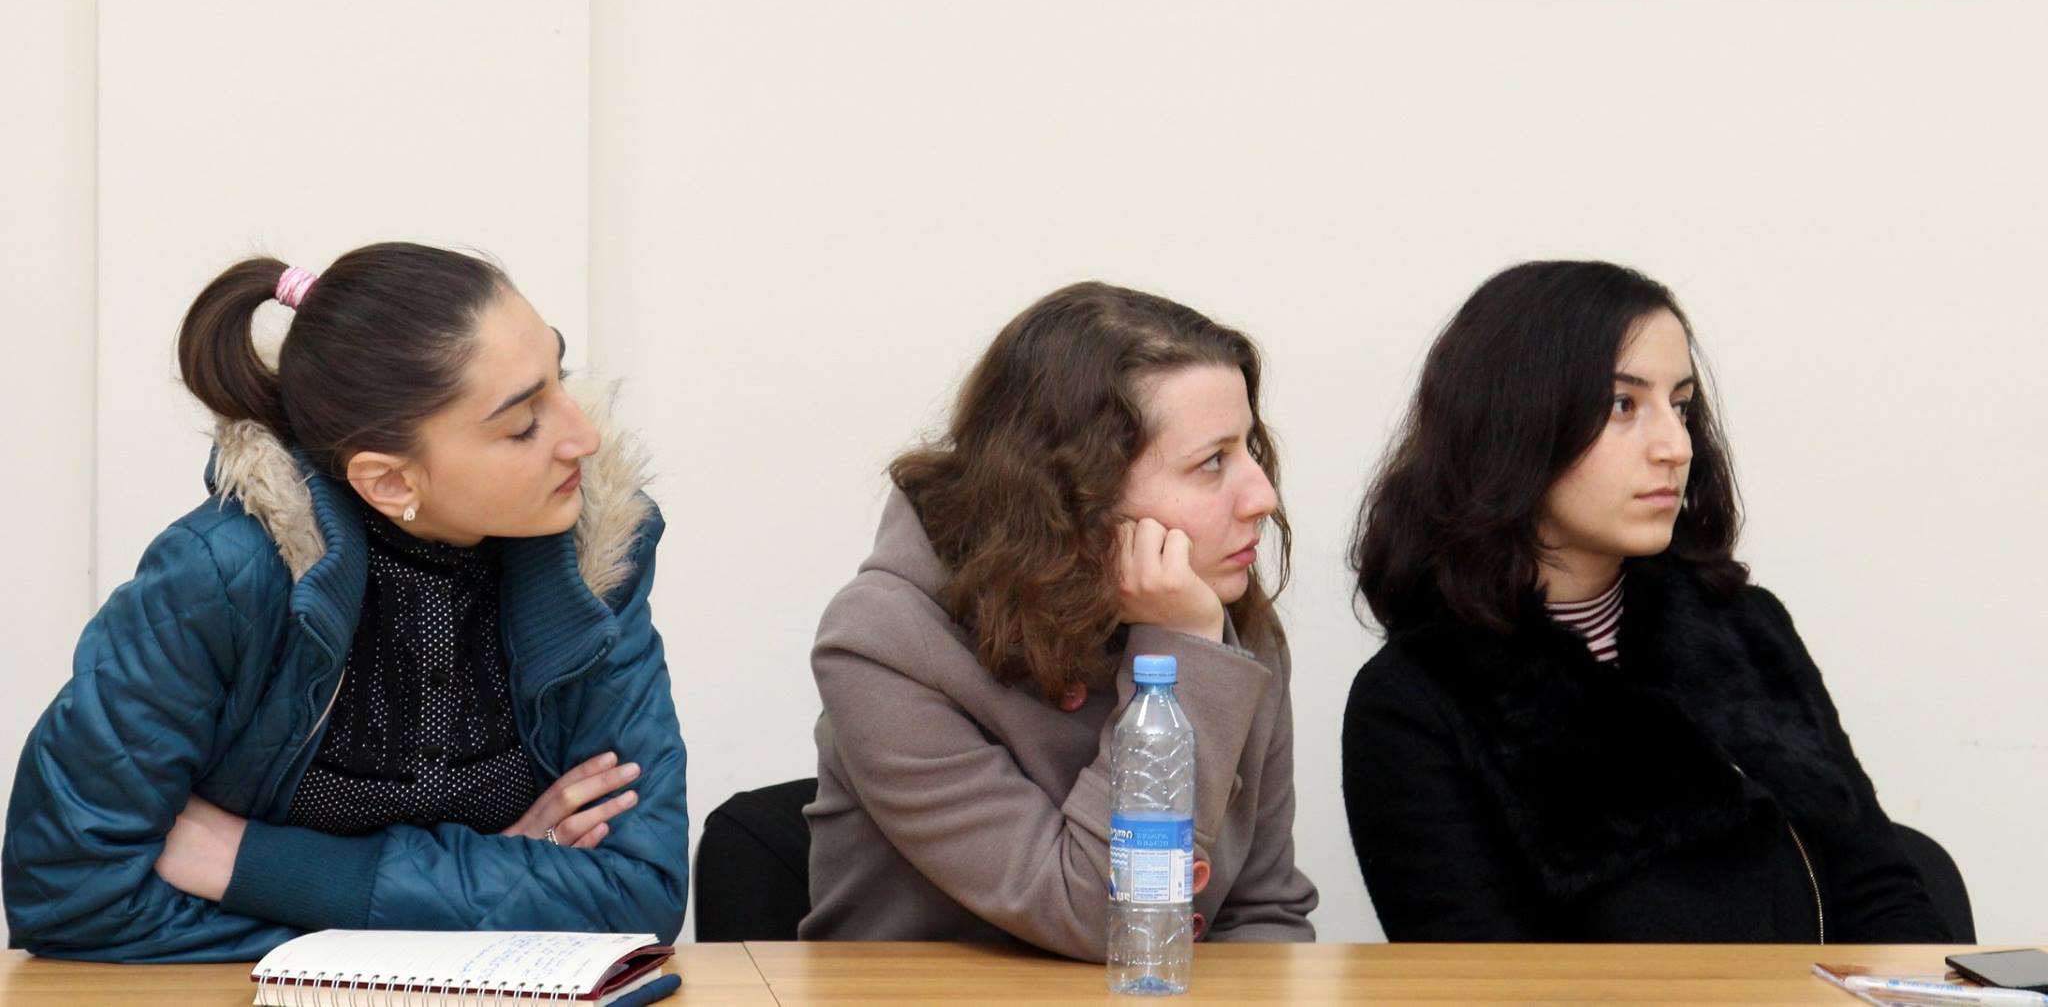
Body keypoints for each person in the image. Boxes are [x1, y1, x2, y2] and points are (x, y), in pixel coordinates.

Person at [3, 243, 687, 960]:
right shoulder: (219, 577)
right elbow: (70, 891)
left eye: (558, 375)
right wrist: (503, 879)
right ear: (390, 482)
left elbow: (640, 893)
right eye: (523, 424)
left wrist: (251, 863)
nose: (584, 436)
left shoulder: (599, 556)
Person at [1342, 260, 1950, 942]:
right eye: (1622, 405)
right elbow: (1492, 982)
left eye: (1681, 405)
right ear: (1512, 424)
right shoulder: (1415, 702)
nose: (1676, 446)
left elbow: (1884, 890)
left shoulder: (1745, 626)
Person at [802, 282, 1318, 957]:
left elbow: (1264, 913)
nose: (1262, 494)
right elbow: (1102, 916)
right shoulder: (882, 643)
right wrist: (1181, 658)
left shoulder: (1227, 624)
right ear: (1074, 491)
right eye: (1212, 461)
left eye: (1250, 446)